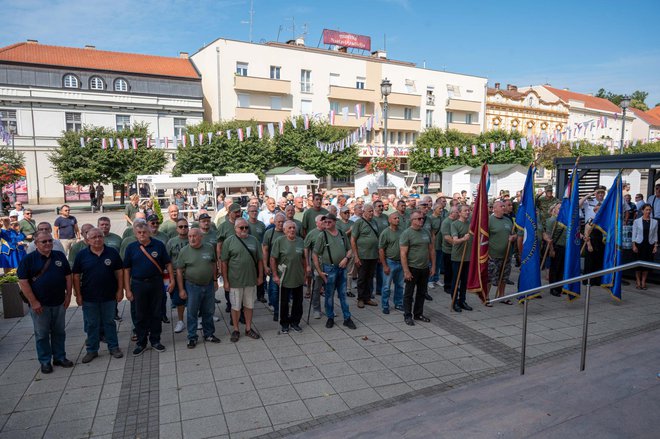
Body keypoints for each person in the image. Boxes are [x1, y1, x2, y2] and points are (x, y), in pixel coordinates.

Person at [17, 230, 73, 374]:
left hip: (59, 302)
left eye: (50, 241)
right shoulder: (28, 259)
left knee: (59, 332)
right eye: (44, 241)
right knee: (42, 334)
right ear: (36, 243)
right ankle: (45, 361)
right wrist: (34, 301)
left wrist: (68, 296)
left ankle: (60, 357)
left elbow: (68, 276)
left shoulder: (59, 255)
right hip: (40, 305)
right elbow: (23, 282)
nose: (48, 243)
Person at [72, 228, 124, 363]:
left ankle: (114, 347)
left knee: (109, 322)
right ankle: (92, 350)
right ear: (88, 240)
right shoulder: (82, 255)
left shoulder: (112, 252)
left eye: (99, 236)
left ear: (103, 238)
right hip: (89, 297)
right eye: (93, 237)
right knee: (92, 324)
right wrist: (78, 295)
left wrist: (120, 290)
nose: (97, 239)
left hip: (109, 295)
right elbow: (76, 276)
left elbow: (119, 272)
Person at [123, 222, 174, 356]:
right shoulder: (131, 248)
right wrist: (127, 289)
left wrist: (172, 281)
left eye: (144, 232)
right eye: (139, 233)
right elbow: (126, 270)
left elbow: (168, 264)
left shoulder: (158, 245)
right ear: (135, 233)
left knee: (156, 313)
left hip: (156, 283)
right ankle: (141, 342)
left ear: (149, 232)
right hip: (138, 285)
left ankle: (156, 340)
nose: (142, 235)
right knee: (140, 314)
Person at [221, 219, 263, 342]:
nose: (244, 230)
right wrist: (226, 281)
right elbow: (224, 262)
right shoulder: (229, 241)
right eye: (241, 228)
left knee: (249, 305)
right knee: (235, 307)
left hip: (250, 280)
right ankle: (236, 329)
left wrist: (260, 276)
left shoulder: (254, 240)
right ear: (235, 229)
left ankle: (248, 328)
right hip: (235, 281)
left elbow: (260, 260)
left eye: (246, 227)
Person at [177, 227, 220, 348]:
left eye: (194, 236)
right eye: (190, 236)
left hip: (209, 284)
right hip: (192, 286)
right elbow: (179, 271)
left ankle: (209, 334)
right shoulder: (184, 251)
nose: (191, 238)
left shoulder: (209, 248)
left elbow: (213, 264)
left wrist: (215, 280)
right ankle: (192, 337)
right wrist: (181, 289)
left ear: (201, 237)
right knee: (192, 312)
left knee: (209, 310)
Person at [313, 213, 356, 330]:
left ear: (334, 222)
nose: (326, 223)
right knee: (329, 295)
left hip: (342, 269)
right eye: (325, 222)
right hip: (329, 269)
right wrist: (319, 271)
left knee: (343, 294)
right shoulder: (322, 236)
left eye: (329, 222)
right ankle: (330, 317)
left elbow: (349, 250)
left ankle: (347, 318)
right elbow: (315, 254)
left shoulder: (342, 234)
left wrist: (346, 259)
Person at [270, 220, 307, 333]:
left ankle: (295, 322)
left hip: (298, 276)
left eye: (293, 228)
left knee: (298, 302)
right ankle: (285, 323)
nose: (292, 230)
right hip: (284, 277)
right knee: (284, 302)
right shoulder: (279, 241)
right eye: (289, 228)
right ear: (285, 230)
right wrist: (275, 275)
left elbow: (304, 259)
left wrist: (305, 273)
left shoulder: (301, 241)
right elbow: (273, 258)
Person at [400, 210, 435, 325]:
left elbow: (431, 250)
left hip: (424, 268)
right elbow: (403, 253)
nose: (422, 220)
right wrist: (406, 271)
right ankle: (408, 315)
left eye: (422, 218)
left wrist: (433, 266)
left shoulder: (426, 232)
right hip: (412, 268)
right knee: (409, 294)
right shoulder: (407, 233)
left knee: (421, 292)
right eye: (419, 219)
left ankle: (418, 313)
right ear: (412, 220)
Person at [487, 201, 516, 304]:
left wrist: (513, 237)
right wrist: (486, 253)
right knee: (490, 278)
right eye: (501, 206)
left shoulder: (508, 220)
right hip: (493, 255)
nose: (504, 208)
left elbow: (514, 234)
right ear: (494, 208)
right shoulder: (489, 220)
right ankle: (486, 298)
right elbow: (483, 239)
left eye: (504, 206)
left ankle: (501, 296)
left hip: (506, 255)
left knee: (504, 277)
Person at [351, 204, 380, 308]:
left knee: (370, 278)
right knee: (362, 278)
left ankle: (367, 298)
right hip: (363, 255)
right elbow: (353, 240)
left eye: (372, 211)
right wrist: (356, 256)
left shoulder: (375, 222)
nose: (371, 213)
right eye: (369, 211)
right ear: (364, 212)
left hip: (373, 255)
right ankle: (360, 299)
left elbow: (378, 237)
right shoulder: (358, 223)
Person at [166, 218, 190, 333]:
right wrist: (170, 278)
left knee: (194, 299)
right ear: (177, 229)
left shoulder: (192, 239)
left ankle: (196, 318)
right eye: (181, 227)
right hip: (176, 275)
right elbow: (167, 260)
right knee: (179, 300)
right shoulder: (171, 242)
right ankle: (180, 321)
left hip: (191, 274)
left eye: (185, 226)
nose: (183, 229)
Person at [379, 212, 404, 314]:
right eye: (395, 218)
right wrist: (384, 265)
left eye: (398, 218)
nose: (397, 220)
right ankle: (385, 305)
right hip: (390, 262)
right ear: (389, 220)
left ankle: (398, 303)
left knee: (400, 285)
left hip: (401, 262)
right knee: (386, 286)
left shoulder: (402, 231)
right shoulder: (385, 233)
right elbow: (381, 249)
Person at [450, 205, 473, 312]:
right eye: (465, 211)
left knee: (464, 281)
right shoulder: (454, 224)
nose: (467, 212)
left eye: (468, 210)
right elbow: (454, 241)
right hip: (458, 257)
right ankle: (454, 301)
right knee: (456, 280)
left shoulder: (471, 224)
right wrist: (463, 239)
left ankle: (462, 300)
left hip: (468, 257)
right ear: (459, 213)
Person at [263, 213, 286, 319]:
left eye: (283, 221)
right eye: (279, 222)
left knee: (284, 291)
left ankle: (281, 310)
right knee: (274, 289)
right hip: (273, 266)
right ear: (275, 222)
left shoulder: (288, 232)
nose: (281, 224)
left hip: (286, 266)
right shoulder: (269, 233)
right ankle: (277, 310)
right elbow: (265, 250)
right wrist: (265, 265)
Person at [304, 215, 327, 319]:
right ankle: (316, 309)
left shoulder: (329, 231)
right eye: (321, 220)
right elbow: (306, 249)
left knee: (329, 287)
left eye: (325, 220)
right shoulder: (312, 234)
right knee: (316, 288)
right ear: (316, 222)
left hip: (329, 264)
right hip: (317, 265)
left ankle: (329, 308)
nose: (324, 222)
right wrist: (308, 265)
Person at [632, 204, 658, 290]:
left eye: (650, 210)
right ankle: (638, 281)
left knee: (646, 264)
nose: (648, 211)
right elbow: (634, 234)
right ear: (643, 211)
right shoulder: (637, 221)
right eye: (646, 210)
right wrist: (634, 245)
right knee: (638, 264)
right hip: (639, 245)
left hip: (649, 245)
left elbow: (655, 234)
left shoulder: (655, 222)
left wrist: (655, 246)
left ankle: (643, 281)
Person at [543, 203, 565, 297]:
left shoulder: (564, 220)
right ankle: (553, 289)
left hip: (564, 247)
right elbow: (549, 237)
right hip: (556, 247)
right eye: (559, 208)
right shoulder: (552, 220)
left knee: (561, 269)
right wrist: (551, 250)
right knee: (554, 269)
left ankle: (559, 288)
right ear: (554, 210)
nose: (561, 210)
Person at [440, 206, 459, 295]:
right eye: (457, 212)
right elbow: (447, 237)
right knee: (448, 270)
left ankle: (454, 286)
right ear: (451, 213)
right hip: (448, 250)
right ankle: (447, 286)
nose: (458, 213)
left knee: (455, 270)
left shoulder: (456, 221)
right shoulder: (446, 222)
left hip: (456, 250)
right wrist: (456, 244)